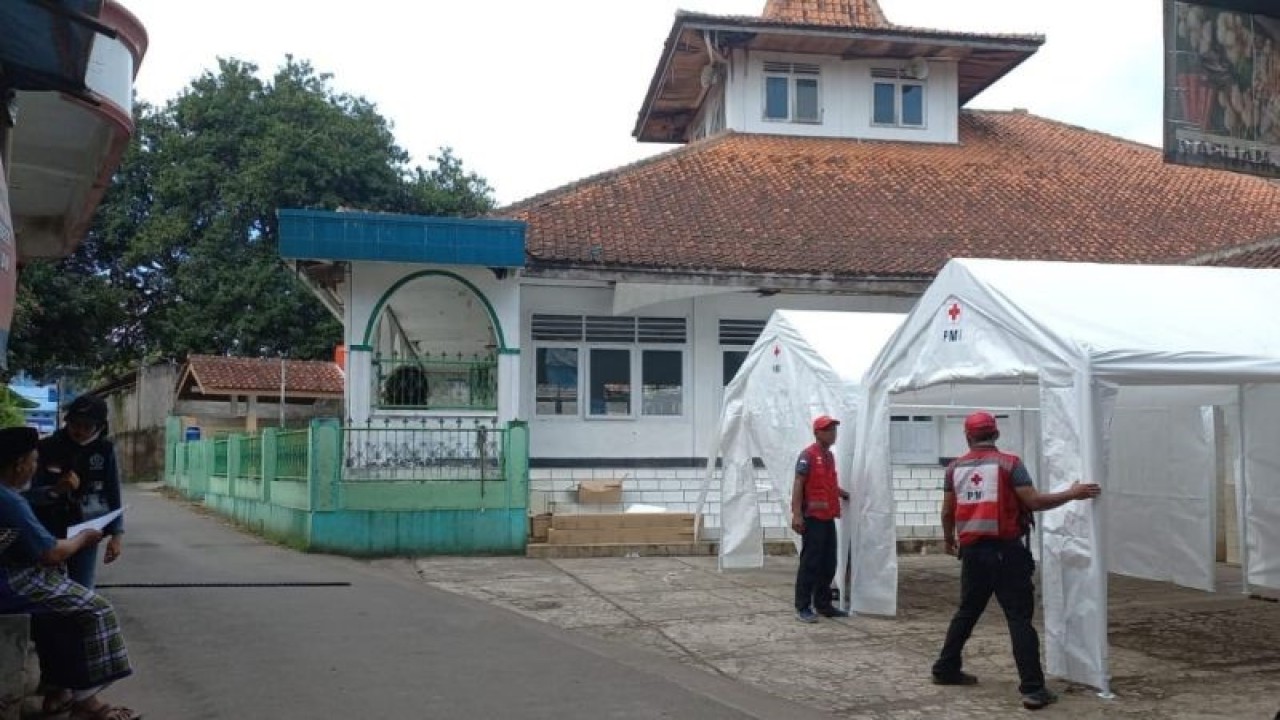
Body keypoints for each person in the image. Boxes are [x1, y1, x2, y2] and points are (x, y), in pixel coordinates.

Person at [930, 411, 1102, 711]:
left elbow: (947, 512)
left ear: (968, 436)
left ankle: (945, 668)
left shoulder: (954, 468)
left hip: (972, 552)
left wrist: (948, 539)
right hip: (1007, 552)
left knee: (967, 611)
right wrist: (1072, 493)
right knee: (1018, 618)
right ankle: (1034, 689)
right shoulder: (1010, 464)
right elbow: (1034, 502)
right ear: (995, 434)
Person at [0, 426, 141, 720]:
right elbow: (52, 551)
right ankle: (86, 699)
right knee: (96, 610)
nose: (35, 466)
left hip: (11, 572)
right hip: (9, 583)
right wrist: (84, 538)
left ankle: (64, 691)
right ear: (19, 465)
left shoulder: (11, 495)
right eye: (33, 460)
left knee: (59, 611)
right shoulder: (9, 500)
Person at [27, 394, 124, 588]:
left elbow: (113, 492)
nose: (79, 431)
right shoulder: (46, 448)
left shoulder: (104, 450)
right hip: (49, 530)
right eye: (74, 424)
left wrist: (116, 535)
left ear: (99, 427)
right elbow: (27, 495)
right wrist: (55, 490)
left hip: (86, 530)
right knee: (46, 589)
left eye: (86, 426)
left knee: (82, 587)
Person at [791, 415, 851, 623]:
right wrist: (796, 514)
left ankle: (824, 605)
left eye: (834, 429)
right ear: (817, 433)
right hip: (812, 518)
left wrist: (843, 493)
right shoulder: (807, 455)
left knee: (829, 563)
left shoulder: (829, 457)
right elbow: (799, 483)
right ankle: (803, 607)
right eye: (827, 430)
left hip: (827, 518)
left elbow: (827, 484)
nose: (832, 433)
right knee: (810, 563)